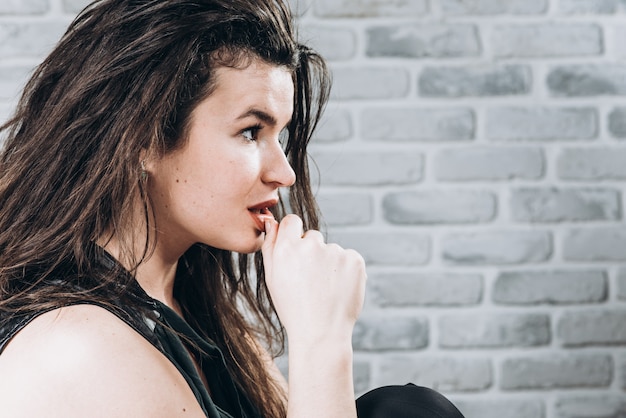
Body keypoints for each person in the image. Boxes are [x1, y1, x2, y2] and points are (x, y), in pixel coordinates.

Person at [0, 1, 465, 417]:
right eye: (250, 132)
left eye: (279, 136)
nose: (285, 173)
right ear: (142, 139)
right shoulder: (80, 347)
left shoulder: (197, 310)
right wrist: (321, 340)